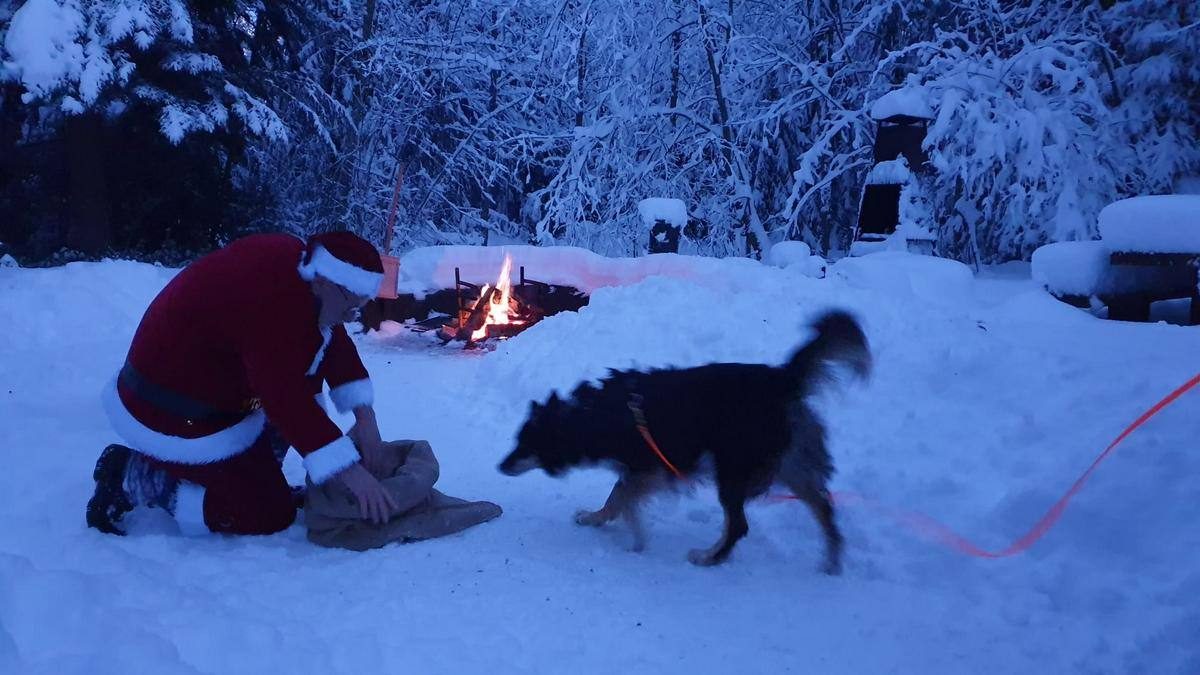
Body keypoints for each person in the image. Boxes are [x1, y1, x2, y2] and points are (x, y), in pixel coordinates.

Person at [87, 230, 400, 536]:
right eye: (350, 305)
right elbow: (285, 400)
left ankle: (255, 479)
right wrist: (351, 473)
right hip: (172, 407)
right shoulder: (271, 305)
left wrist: (365, 416)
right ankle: (131, 474)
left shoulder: (306, 277)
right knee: (267, 514)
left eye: (360, 307)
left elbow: (331, 339)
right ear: (322, 280)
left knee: (267, 474)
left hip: (222, 388)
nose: (352, 317)